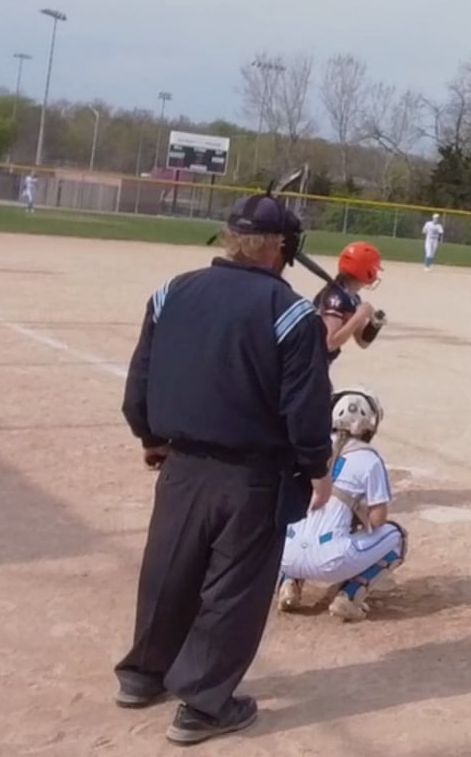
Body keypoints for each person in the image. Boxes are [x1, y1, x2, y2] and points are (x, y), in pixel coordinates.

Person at [113, 191, 335, 745]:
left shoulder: (172, 292)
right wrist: (316, 466)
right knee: (234, 587)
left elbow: (141, 378)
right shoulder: (291, 313)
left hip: (182, 464)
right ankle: (204, 705)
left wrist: (149, 436)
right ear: (281, 247)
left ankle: (143, 674)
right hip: (253, 475)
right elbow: (304, 406)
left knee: (169, 570)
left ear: (230, 237)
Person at [279, 390, 406, 621]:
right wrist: (357, 515)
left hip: (284, 554)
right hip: (331, 560)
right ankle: (349, 596)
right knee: (398, 537)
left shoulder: (309, 447)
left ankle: (288, 582)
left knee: (297, 521)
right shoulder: (369, 459)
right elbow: (377, 520)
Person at [317, 241, 383, 362]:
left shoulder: (352, 298)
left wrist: (374, 325)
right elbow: (329, 344)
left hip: (319, 363)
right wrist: (360, 315)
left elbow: (362, 342)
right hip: (308, 363)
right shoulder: (335, 298)